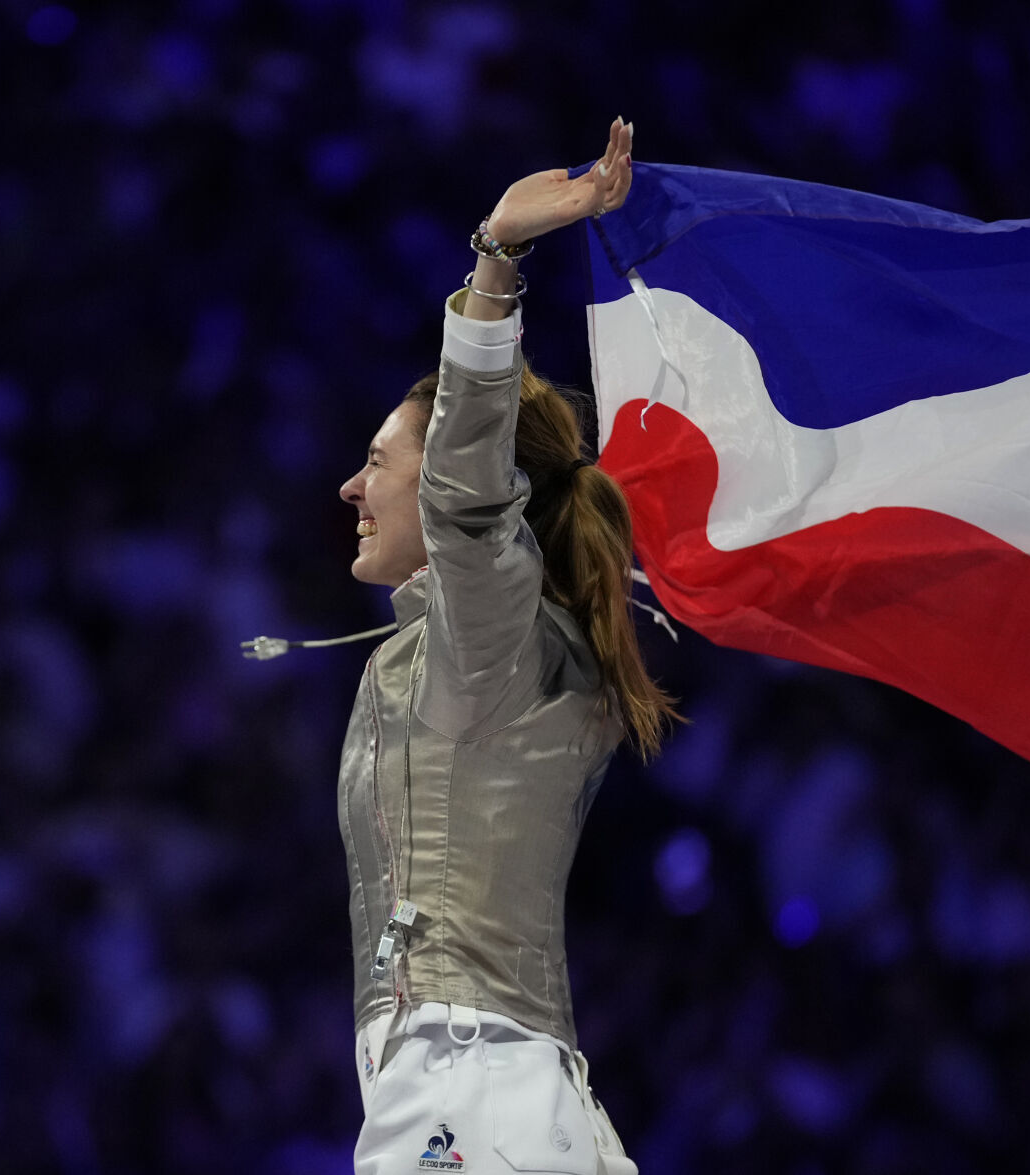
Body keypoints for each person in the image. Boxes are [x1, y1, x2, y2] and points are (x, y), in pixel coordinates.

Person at [333, 118, 671, 1175]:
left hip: (463, 1096)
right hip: (502, 1098)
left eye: (378, 460)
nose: (351, 486)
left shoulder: (490, 629)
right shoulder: (467, 645)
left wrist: (493, 265)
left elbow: (472, 511)